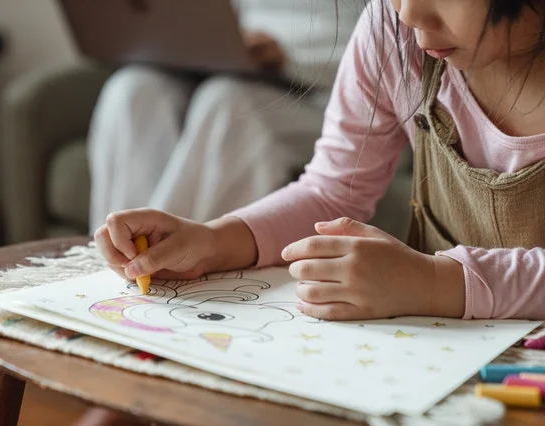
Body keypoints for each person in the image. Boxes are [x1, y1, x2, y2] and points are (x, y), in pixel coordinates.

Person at [94, 0, 545, 324]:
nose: (408, 12)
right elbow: (330, 193)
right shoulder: (393, 33)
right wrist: (213, 240)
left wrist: (434, 283)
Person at [88, 0, 361, 230]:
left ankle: (167, 262)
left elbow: (380, 48)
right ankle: (111, 254)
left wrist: (287, 57)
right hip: (245, 69)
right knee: (131, 89)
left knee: (228, 103)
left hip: (325, 91)